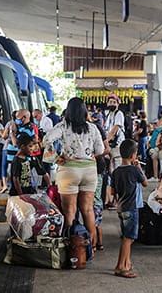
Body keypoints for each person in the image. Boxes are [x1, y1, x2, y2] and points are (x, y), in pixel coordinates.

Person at [43, 97, 104, 248]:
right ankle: (91, 248)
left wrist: (56, 158)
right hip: (89, 170)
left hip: (69, 170)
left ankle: (73, 250)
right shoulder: (92, 128)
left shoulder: (63, 126)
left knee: (69, 211)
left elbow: (46, 140)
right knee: (88, 209)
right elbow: (101, 150)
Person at [111, 139, 148, 278]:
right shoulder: (134, 170)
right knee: (129, 238)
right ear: (133, 155)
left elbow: (113, 192)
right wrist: (138, 167)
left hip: (121, 207)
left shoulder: (116, 172)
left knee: (127, 237)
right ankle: (121, 266)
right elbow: (144, 183)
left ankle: (125, 263)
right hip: (132, 208)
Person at [91, 112, 111, 252]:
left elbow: (106, 149)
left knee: (94, 203)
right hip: (92, 168)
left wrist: (92, 156)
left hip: (96, 168)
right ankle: (97, 242)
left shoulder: (96, 128)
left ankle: (94, 243)